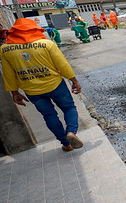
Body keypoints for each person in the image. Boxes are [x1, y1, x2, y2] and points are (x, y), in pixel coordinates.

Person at [1, 18, 83, 151]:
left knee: (49, 115)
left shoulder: (5, 50)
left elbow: (8, 73)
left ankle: (66, 144)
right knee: (69, 108)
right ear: (34, 29)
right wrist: (74, 80)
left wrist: (14, 92)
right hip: (55, 85)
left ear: (14, 32)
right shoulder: (46, 44)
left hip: (32, 91)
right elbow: (62, 65)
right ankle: (71, 132)